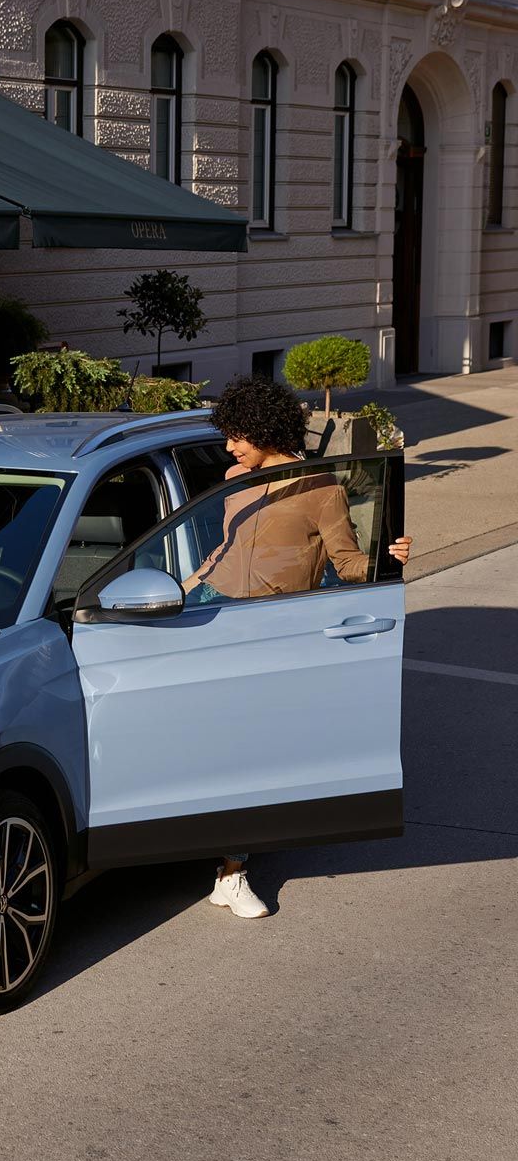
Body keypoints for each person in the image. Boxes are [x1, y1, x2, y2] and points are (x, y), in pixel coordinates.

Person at [187, 377, 413, 920]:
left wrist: (392, 557)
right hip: (212, 612)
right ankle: (204, 849)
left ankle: (232, 872)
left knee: (248, 748)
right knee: (209, 740)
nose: (229, 447)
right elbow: (226, 546)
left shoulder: (321, 489)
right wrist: (187, 586)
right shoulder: (234, 478)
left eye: (238, 435)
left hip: (272, 627)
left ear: (266, 429)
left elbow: (347, 563)